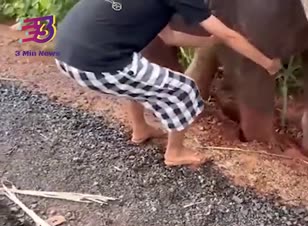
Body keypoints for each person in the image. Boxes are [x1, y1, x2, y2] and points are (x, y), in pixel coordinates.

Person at [53, 0, 282, 167]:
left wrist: (211, 41)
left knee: (136, 77)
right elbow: (230, 36)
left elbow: (171, 37)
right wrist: (267, 63)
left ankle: (140, 130)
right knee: (183, 90)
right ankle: (175, 153)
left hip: (67, 54)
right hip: (96, 66)